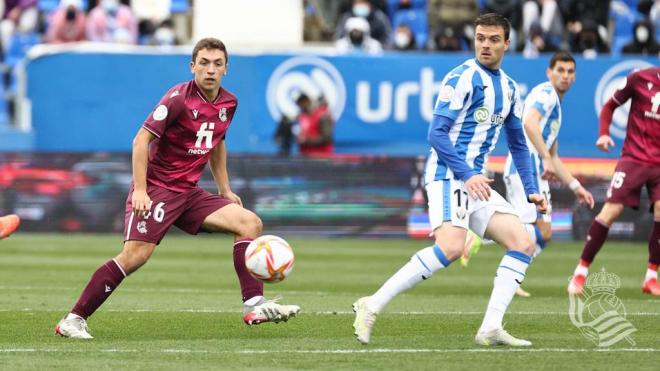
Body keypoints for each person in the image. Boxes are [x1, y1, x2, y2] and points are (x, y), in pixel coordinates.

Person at [55, 38, 300, 339]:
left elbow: (217, 143)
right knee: (134, 257)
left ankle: (254, 304)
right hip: (158, 189)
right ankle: (73, 319)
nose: (210, 70)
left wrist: (224, 188)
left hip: (188, 192)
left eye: (217, 64)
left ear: (226, 69)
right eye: (204, 63)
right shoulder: (177, 98)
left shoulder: (228, 103)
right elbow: (140, 141)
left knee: (249, 222)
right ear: (193, 66)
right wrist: (142, 191)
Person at [352, 13, 547, 347]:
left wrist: (532, 190)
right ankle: (372, 303)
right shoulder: (461, 79)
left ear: (507, 44)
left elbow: (517, 143)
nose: (486, 45)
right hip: (448, 175)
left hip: (476, 181)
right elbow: (436, 134)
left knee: (523, 242)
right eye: (480, 38)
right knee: (452, 246)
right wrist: (467, 173)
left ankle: (490, 327)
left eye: (493, 39)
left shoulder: (511, 89)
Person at [461, 51, 595, 297]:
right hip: (528, 170)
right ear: (549, 72)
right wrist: (543, 157)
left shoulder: (555, 103)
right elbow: (529, 123)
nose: (565, 76)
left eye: (570, 72)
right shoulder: (547, 94)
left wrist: (577, 187)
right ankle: (486, 244)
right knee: (541, 231)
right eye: (560, 70)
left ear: (575, 77)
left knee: (532, 230)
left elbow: (554, 156)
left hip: (527, 168)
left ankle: (510, 274)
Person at [567, 66, 660, 296]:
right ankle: (580, 272)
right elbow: (609, 106)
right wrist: (604, 133)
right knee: (611, 211)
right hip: (634, 158)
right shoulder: (640, 77)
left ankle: (651, 277)